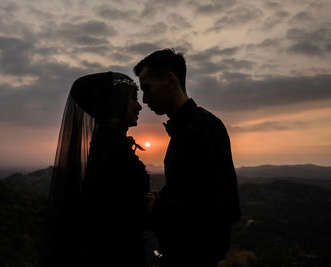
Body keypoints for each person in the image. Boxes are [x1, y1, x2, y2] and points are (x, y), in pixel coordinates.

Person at [133, 49, 241, 267]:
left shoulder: (204, 128)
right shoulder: (187, 129)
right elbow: (189, 190)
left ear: (171, 80)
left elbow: (223, 207)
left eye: (147, 88)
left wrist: (158, 207)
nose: (144, 99)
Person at [39, 72, 150, 267]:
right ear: (116, 100)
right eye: (133, 97)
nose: (139, 106)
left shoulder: (107, 146)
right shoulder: (113, 153)